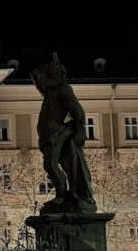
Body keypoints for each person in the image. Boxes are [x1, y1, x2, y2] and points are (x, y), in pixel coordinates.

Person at [31, 60, 96, 213]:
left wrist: (80, 128)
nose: (41, 81)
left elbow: (77, 110)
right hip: (47, 136)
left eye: (43, 77)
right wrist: (36, 74)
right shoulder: (49, 92)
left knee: (50, 165)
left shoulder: (62, 89)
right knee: (51, 165)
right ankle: (63, 195)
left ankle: (62, 195)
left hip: (57, 134)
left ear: (51, 75)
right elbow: (34, 78)